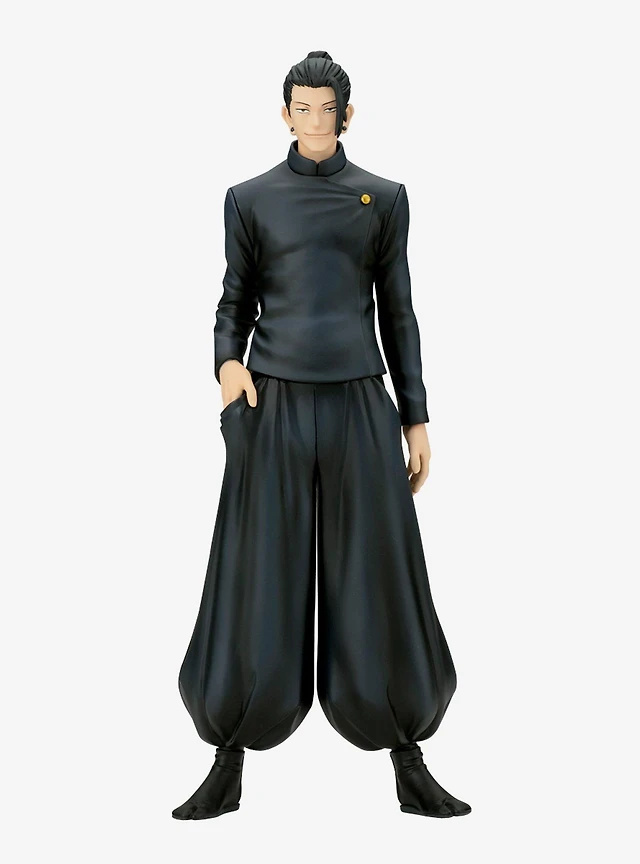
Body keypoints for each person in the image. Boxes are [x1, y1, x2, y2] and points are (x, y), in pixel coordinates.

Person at [172, 50, 471, 821]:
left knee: (379, 571)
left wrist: (416, 415)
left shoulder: (384, 198)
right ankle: (227, 759)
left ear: (347, 115)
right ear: (284, 115)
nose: (313, 121)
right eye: (300, 108)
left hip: (360, 403)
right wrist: (225, 365)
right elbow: (233, 300)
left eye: (325, 109)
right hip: (269, 402)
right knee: (254, 571)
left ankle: (408, 759)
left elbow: (398, 311)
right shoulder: (249, 199)